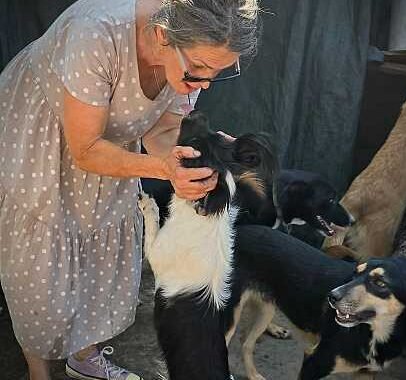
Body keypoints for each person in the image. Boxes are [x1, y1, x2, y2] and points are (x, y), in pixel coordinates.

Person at [0, 0, 260, 379]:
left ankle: (83, 359)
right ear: (162, 36)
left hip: (108, 144)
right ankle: (38, 372)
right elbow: (86, 149)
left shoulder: (190, 58)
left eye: (217, 73)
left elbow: (162, 130)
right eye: (200, 70)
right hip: (45, 136)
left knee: (104, 246)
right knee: (42, 266)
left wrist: (196, 159)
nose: (204, 83)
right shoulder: (95, 34)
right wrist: (162, 168)